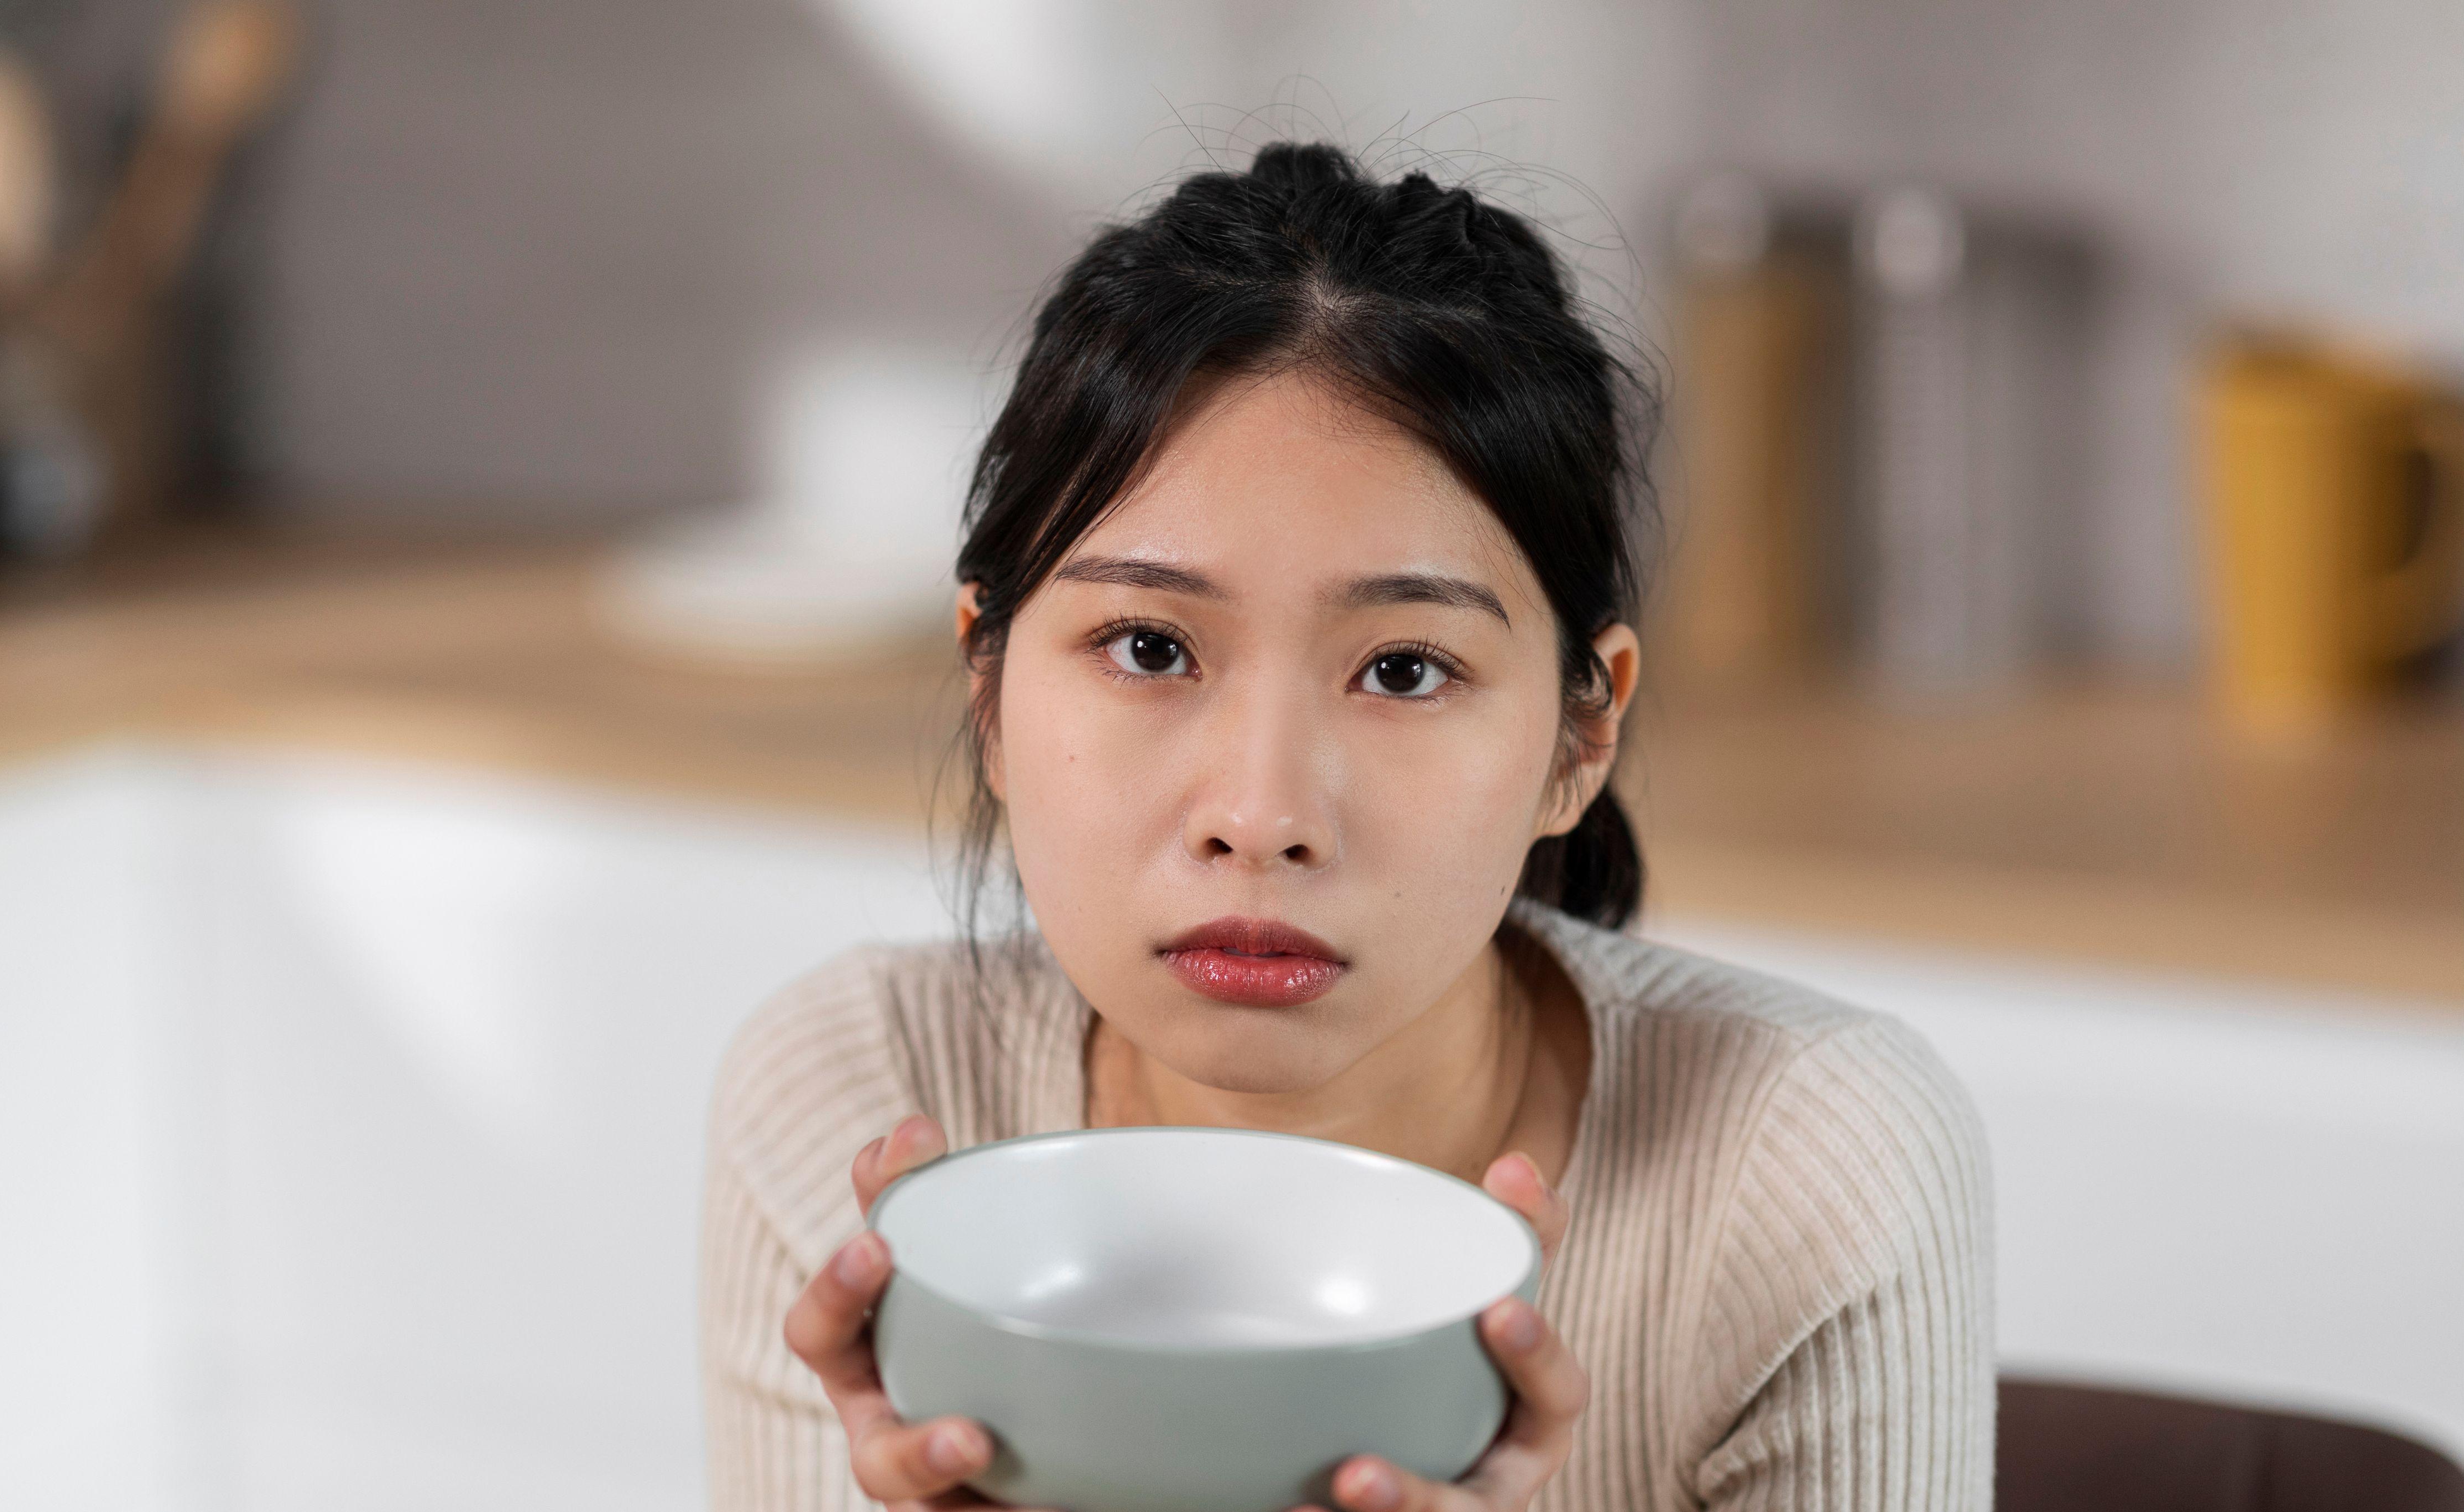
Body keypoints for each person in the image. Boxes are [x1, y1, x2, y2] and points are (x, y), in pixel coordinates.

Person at [702, 141, 1992, 1512]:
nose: (1260, 818)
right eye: (1147, 645)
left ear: (1580, 733)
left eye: (1403, 669)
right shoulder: (858, 1096)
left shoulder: (1807, 1170)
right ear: (989, 689)